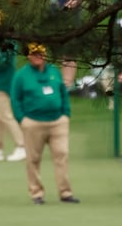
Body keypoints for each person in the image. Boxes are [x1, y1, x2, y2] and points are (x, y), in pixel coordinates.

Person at [10, 43, 79, 205]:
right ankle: (36, 193)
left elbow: (63, 93)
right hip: (33, 122)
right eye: (34, 54)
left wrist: (66, 114)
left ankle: (65, 192)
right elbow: (15, 99)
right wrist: (22, 119)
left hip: (57, 121)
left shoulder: (54, 72)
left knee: (62, 155)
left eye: (41, 53)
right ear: (29, 56)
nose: (38, 57)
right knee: (33, 159)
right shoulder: (21, 76)